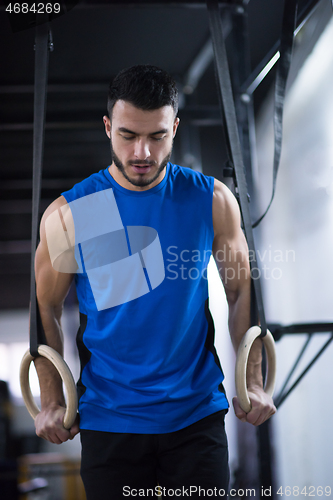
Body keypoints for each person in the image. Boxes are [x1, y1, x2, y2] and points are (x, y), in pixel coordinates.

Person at [34, 65, 276, 499]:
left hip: (195, 412)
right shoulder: (75, 213)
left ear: (175, 128)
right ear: (108, 127)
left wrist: (252, 380)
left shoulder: (210, 200)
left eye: (157, 136)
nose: (142, 151)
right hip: (110, 416)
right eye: (128, 135)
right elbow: (45, 305)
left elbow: (242, 289)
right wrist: (52, 396)